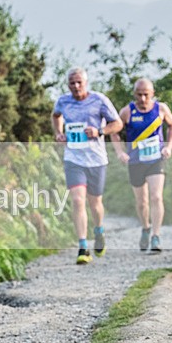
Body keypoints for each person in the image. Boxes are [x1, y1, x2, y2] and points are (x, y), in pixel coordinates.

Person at [52, 68, 123, 265]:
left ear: (86, 83)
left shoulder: (99, 100)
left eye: (79, 83)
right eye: (72, 83)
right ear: (67, 85)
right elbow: (56, 116)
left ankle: (99, 231)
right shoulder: (63, 101)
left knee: (95, 203)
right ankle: (83, 247)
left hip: (96, 159)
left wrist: (99, 131)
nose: (75, 87)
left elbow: (117, 124)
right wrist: (59, 133)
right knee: (77, 200)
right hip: (74, 159)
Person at [110, 78, 172, 253]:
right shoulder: (127, 111)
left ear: (152, 94)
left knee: (156, 197)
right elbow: (114, 131)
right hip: (136, 161)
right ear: (134, 94)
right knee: (142, 202)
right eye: (139, 95)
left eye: (146, 95)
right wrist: (120, 152)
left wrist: (169, 147)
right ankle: (145, 228)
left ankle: (156, 236)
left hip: (156, 159)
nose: (142, 98)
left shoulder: (161, 109)